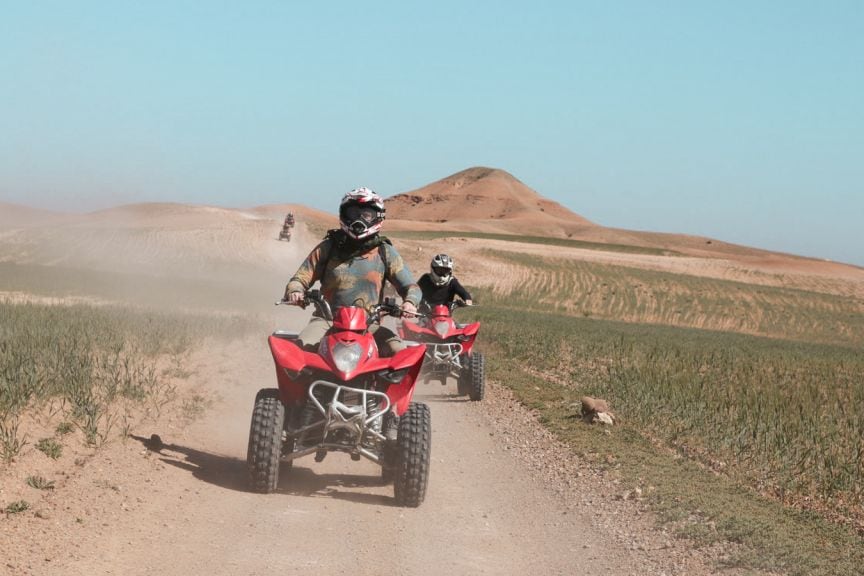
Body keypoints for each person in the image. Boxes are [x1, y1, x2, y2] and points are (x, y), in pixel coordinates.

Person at [284, 187, 421, 355]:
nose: (359, 220)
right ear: (344, 214)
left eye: (366, 215)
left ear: (377, 217)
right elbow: (299, 278)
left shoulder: (384, 252)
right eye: (353, 213)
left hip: (369, 326)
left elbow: (411, 287)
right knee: (301, 351)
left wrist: (410, 302)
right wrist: (296, 291)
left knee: (399, 353)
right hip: (327, 321)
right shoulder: (328, 247)